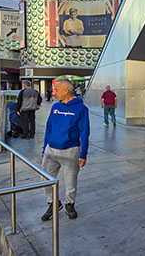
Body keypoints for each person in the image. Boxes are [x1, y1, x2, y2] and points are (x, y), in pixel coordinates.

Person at [41, 79, 90, 221]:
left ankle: (70, 204)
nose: (53, 93)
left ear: (65, 91)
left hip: (70, 151)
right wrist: (45, 148)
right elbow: (48, 128)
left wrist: (83, 153)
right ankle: (53, 203)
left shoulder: (81, 109)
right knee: (44, 178)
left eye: (56, 90)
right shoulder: (55, 107)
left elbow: (84, 132)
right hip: (51, 150)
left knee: (71, 181)